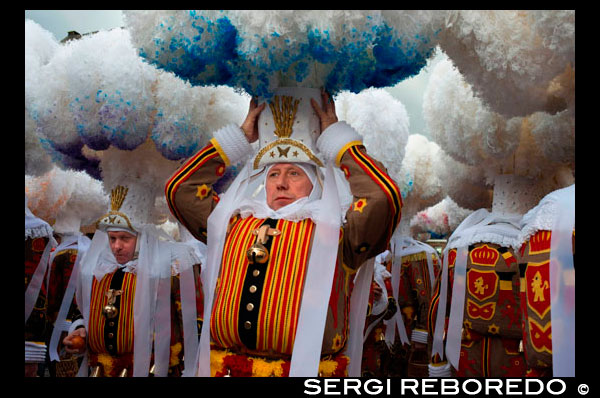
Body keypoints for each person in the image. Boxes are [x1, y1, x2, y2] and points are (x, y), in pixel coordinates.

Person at [165, 87, 402, 376]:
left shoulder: (338, 235)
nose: (280, 183)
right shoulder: (233, 225)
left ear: (316, 183)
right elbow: (180, 190)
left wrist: (339, 143)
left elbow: (383, 197)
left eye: (294, 173)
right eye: (273, 173)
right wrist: (237, 140)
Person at [62, 184, 204, 377]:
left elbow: (193, 320)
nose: (116, 246)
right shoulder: (97, 267)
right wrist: (80, 330)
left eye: (124, 238)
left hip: (156, 370)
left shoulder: (172, 265)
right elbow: (82, 310)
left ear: (143, 237)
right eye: (112, 238)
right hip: (101, 370)